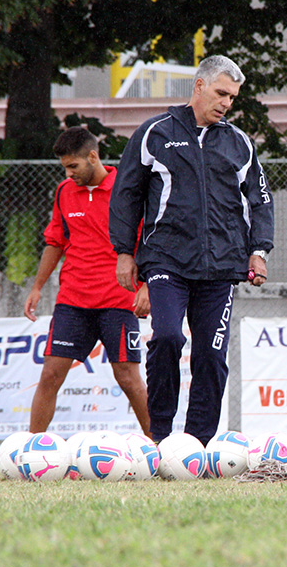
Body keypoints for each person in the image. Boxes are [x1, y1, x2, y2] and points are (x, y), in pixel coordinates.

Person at [109, 55, 274, 445]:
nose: (226, 103)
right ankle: (160, 437)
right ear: (198, 86)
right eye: (221, 93)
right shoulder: (155, 133)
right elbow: (126, 194)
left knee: (211, 358)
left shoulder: (239, 143)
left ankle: (196, 446)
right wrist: (124, 252)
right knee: (166, 338)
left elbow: (261, 200)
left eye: (232, 97)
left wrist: (259, 251)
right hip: (166, 261)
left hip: (222, 268)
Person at [24, 126, 151, 436]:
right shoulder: (64, 192)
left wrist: (147, 285)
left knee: (128, 379)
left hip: (118, 299)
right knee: (51, 375)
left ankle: (158, 446)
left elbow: (148, 240)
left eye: (73, 166)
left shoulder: (127, 188)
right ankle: (31, 448)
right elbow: (55, 241)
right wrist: (38, 286)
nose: (69, 174)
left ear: (93, 157)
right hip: (73, 300)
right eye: (65, 167)